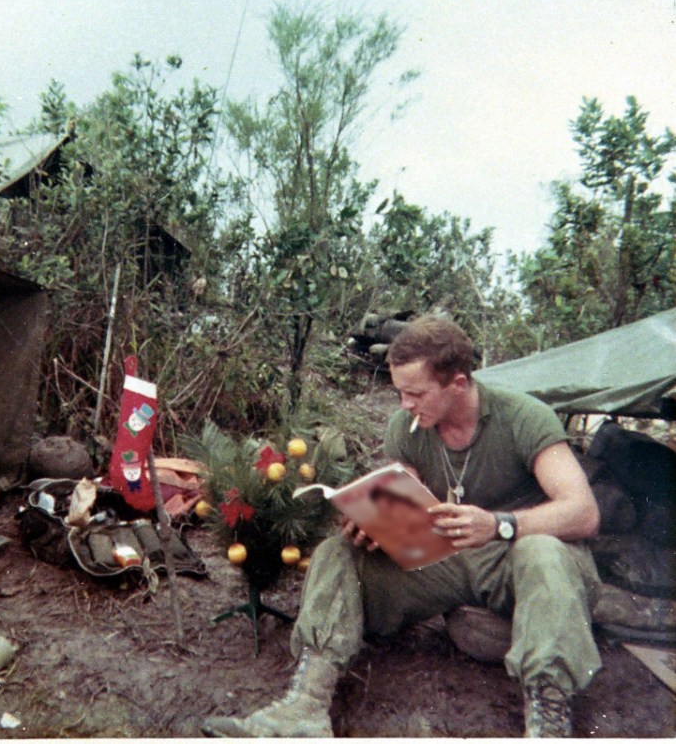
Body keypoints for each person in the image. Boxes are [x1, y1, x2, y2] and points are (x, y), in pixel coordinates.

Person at [202, 316, 601, 738]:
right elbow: (400, 496)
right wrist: (373, 524)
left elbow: (583, 512)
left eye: (416, 394)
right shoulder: (408, 426)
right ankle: (304, 707)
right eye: (400, 393)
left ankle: (549, 720)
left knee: (544, 551)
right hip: (448, 559)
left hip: (518, 561)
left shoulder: (524, 417)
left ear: (458, 384)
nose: (405, 405)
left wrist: (500, 525)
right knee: (340, 552)